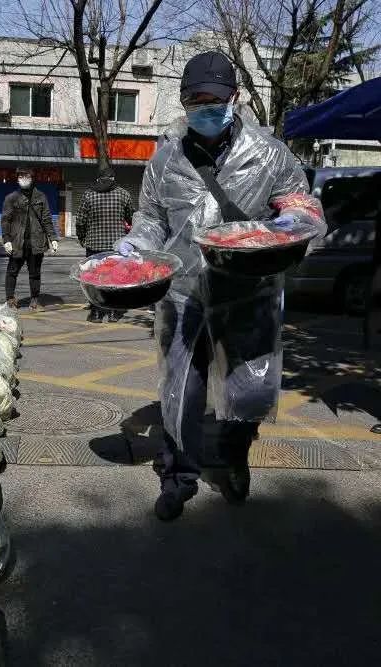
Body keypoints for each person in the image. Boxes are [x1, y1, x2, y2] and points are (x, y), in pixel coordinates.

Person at [115, 51, 326, 521]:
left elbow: (297, 200)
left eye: (215, 100)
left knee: (247, 388)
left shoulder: (269, 154)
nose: (206, 109)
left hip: (247, 290)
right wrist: (134, 245)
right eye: (196, 101)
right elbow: (151, 217)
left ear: (235, 98)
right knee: (180, 390)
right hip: (184, 293)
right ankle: (179, 476)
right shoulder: (166, 159)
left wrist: (295, 219)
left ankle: (233, 459)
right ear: (185, 103)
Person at [77, 167, 135, 322]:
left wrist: (82, 238)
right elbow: (132, 219)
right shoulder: (123, 194)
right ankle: (113, 312)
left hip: (94, 245)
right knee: (116, 278)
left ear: (98, 179)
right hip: (117, 246)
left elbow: (81, 221)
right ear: (113, 178)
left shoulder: (89, 194)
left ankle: (96, 312)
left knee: (94, 278)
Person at [2, 166, 59, 311]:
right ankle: (10, 299)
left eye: (26, 176)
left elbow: (46, 219)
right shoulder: (11, 198)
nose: (23, 179)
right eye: (20, 176)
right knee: (12, 271)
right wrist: (6, 240)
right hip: (16, 242)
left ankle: (34, 300)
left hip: (36, 242)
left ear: (32, 178)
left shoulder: (40, 197)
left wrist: (53, 238)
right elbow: (6, 220)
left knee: (35, 273)